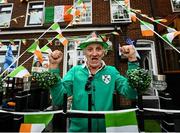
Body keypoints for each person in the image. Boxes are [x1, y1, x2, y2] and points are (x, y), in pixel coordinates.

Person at [48, 32, 139, 132]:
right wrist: (53, 68)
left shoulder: (111, 71)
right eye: (90, 49)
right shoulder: (74, 72)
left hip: (105, 130)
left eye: (98, 49)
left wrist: (132, 59)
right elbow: (59, 99)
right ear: (84, 52)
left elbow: (131, 93)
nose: (94, 53)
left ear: (104, 52)